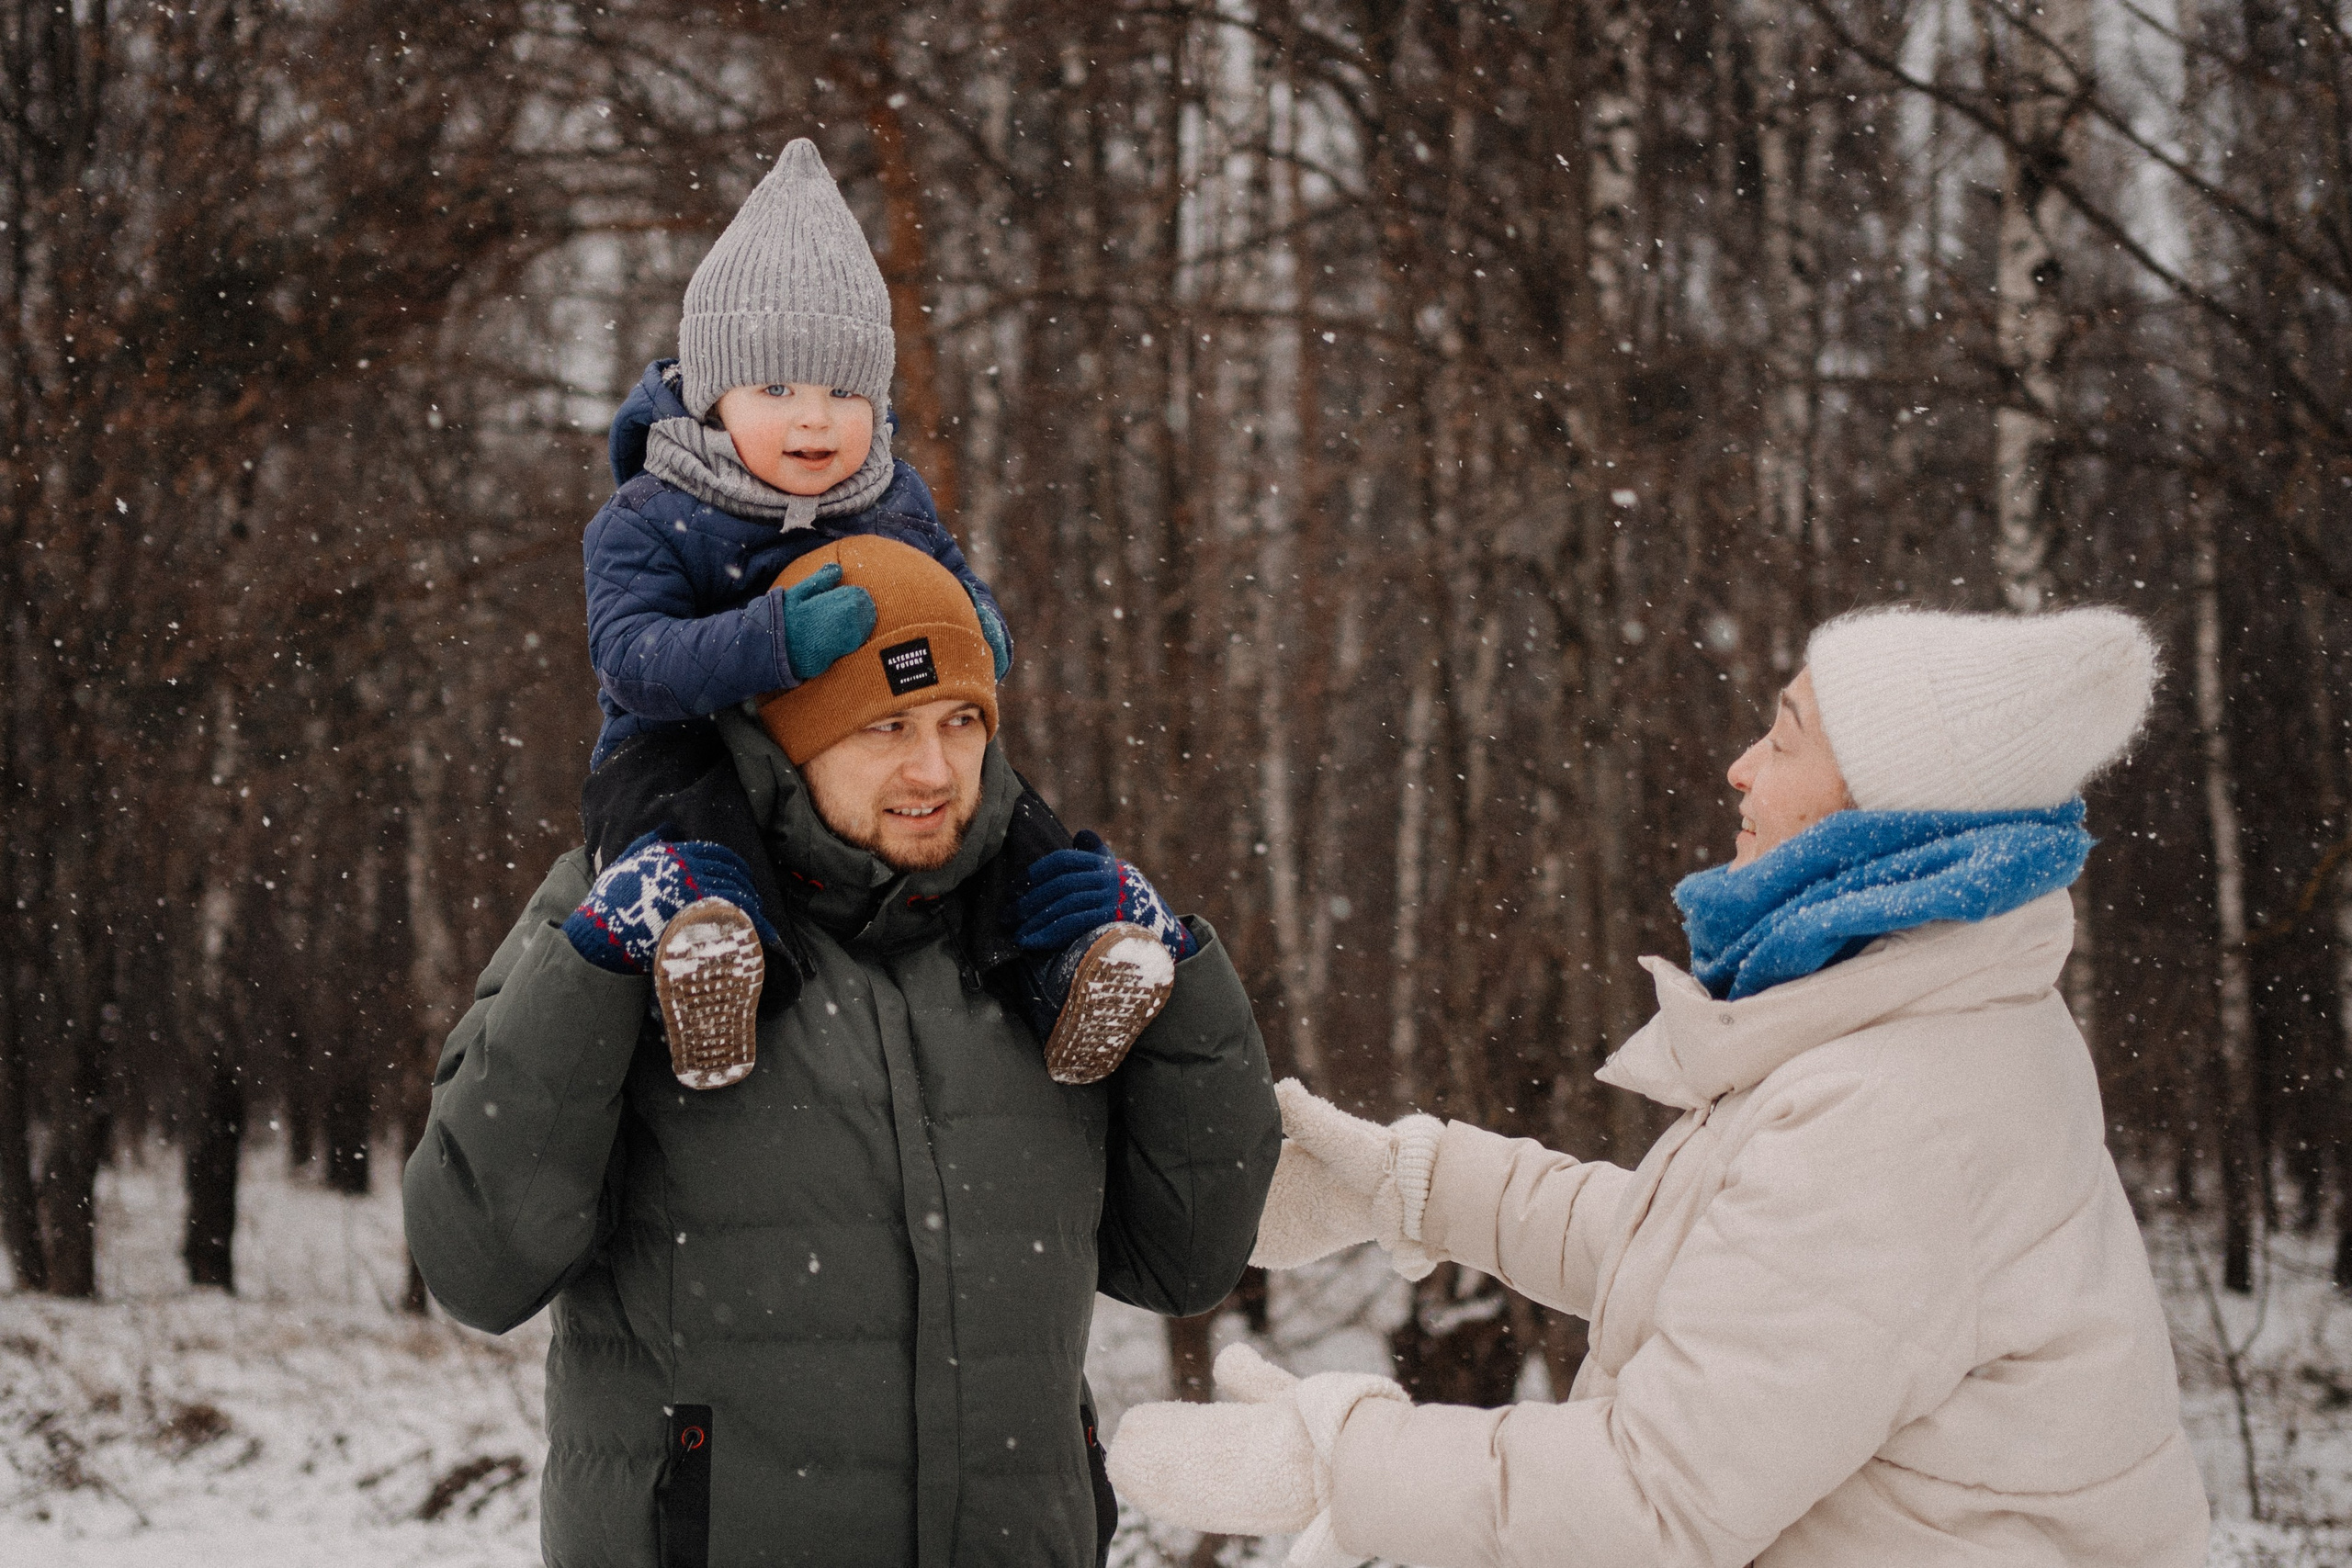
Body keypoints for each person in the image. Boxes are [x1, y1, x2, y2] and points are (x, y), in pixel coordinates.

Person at [1106, 604, 2211, 1568]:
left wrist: (1342, 1460)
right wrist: (1420, 1185)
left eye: (1784, 739)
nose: (1740, 765)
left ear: (1884, 815)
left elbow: (1655, 1502)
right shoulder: (1925, 1014)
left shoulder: (1895, 1104)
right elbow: (1730, 1268)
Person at [402, 536, 1283, 1568]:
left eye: (962, 722)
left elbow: (1185, 1260)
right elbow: (477, 1265)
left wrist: (1181, 982)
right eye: (885, 725)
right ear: (786, 735)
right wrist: (591, 968)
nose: (934, 769)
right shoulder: (634, 911)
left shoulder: (1044, 946)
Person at [581, 135, 1174, 1094]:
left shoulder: (890, 496)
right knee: (687, 812)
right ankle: (710, 952)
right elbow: (634, 662)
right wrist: (769, 643)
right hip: (685, 743)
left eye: (844, 392)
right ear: (712, 390)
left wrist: (975, 622)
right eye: (778, 389)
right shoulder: (651, 516)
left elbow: (942, 576)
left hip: (870, 743)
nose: (816, 421)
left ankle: (1070, 959)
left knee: (1000, 810)